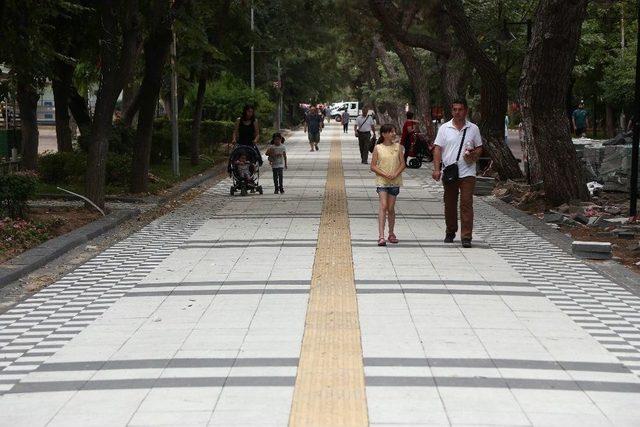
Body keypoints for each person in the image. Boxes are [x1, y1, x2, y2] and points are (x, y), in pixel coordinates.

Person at [432, 98, 483, 248]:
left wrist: (473, 155)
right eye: (454, 109)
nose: (457, 112)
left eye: (460, 109)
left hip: (468, 172)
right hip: (449, 172)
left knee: (466, 203)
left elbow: (479, 147)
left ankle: (466, 236)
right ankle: (450, 231)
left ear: (466, 111)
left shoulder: (473, 128)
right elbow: (437, 149)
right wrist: (436, 169)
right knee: (450, 204)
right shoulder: (444, 128)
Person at [370, 124, 406, 246]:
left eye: (394, 131)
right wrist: (384, 174)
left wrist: (395, 173)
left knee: (390, 208)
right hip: (382, 181)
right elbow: (373, 166)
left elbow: (403, 164)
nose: (394, 134)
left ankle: (391, 233)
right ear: (384, 134)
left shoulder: (398, 147)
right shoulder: (378, 148)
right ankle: (381, 236)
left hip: (394, 181)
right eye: (391, 132)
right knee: (383, 206)